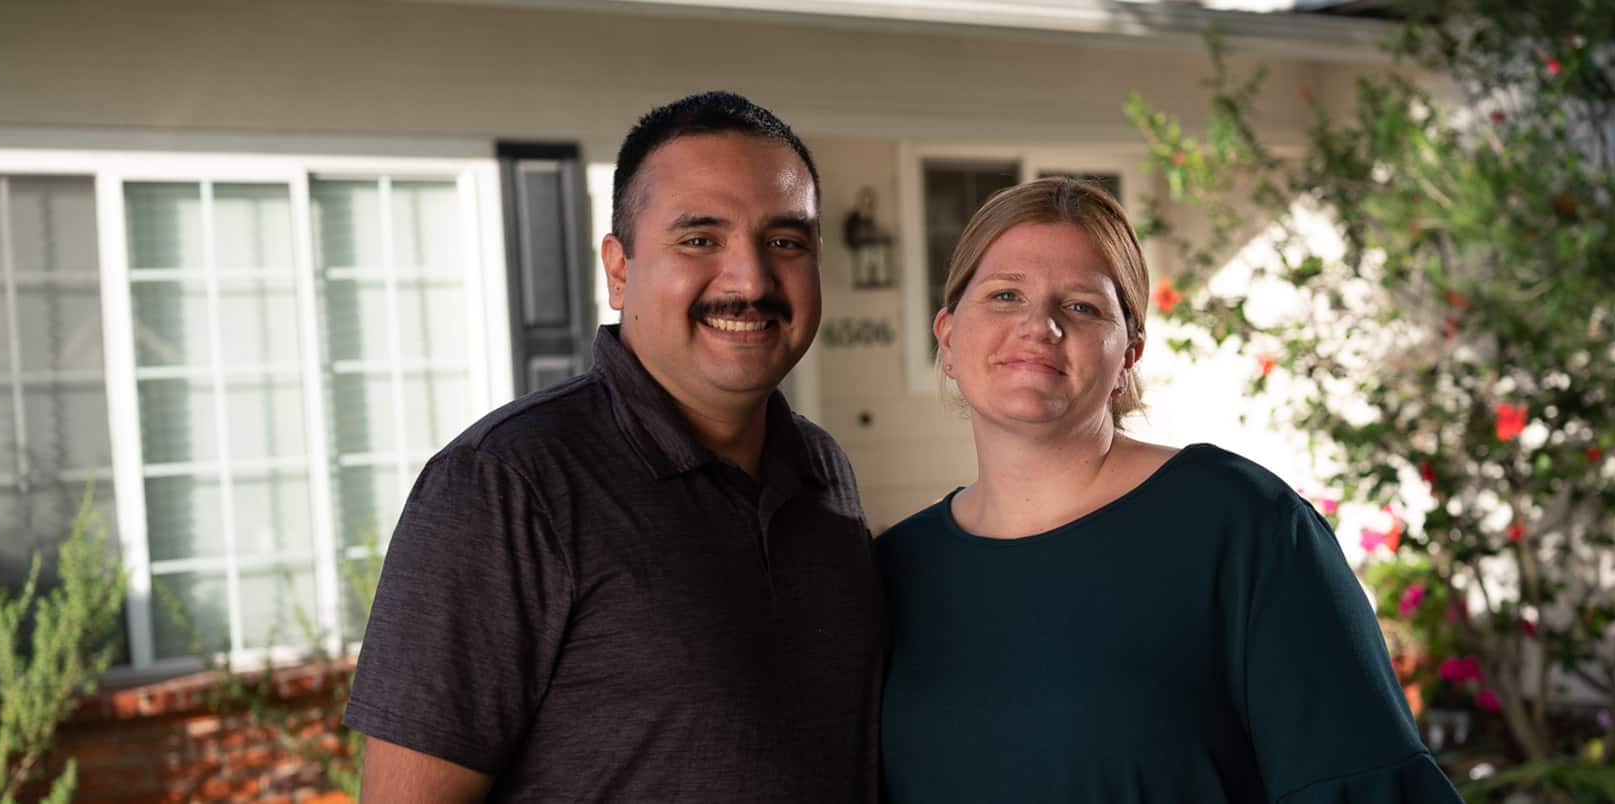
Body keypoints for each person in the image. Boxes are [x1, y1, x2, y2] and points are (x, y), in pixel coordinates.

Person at [343, 91, 883, 803]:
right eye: (699, 240)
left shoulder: (822, 472)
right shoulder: (504, 486)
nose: (751, 280)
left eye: (786, 241)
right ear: (619, 269)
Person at [877, 176, 1465, 803]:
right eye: (1005, 295)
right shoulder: (894, 569)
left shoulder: (1242, 527)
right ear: (946, 335)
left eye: (1080, 306)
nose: (1038, 325)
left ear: (1128, 353)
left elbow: (1365, 787)